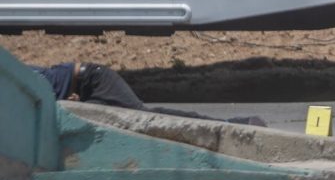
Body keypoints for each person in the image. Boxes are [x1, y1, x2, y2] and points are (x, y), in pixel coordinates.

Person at [30, 61, 267, 127]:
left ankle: (233, 124)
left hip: (93, 80)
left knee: (144, 118)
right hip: (82, 89)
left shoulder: (26, 79)